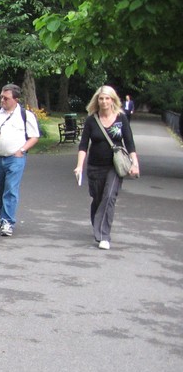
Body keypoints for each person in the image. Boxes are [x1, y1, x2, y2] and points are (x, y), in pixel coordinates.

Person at [73, 85, 139, 250]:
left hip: (115, 166)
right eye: (101, 98)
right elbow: (83, 145)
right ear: (97, 100)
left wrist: (135, 164)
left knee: (109, 197)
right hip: (95, 166)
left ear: (113, 100)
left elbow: (130, 143)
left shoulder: (121, 119)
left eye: (107, 98)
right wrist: (79, 166)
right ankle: (97, 223)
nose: (104, 101)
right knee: (97, 199)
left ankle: (104, 236)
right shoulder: (91, 120)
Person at [0, 83, 41, 236]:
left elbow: (34, 137)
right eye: (1, 97)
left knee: (11, 189)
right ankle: (3, 215)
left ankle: (7, 221)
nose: (2, 100)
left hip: (15, 157)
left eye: (5, 98)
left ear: (16, 99)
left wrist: (22, 150)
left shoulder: (26, 115)